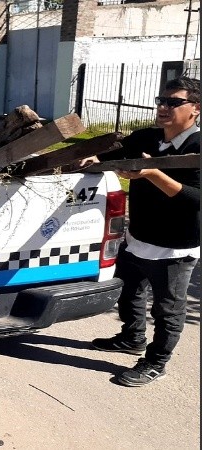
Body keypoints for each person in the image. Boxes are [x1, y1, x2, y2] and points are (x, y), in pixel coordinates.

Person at [83, 76, 200, 387]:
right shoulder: (147, 137)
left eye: (173, 102)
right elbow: (118, 153)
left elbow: (196, 198)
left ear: (195, 109)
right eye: (161, 100)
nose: (163, 107)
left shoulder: (198, 146)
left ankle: (156, 362)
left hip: (175, 246)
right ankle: (132, 337)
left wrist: (152, 174)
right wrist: (97, 159)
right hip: (138, 237)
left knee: (167, 310)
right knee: (128, 291)